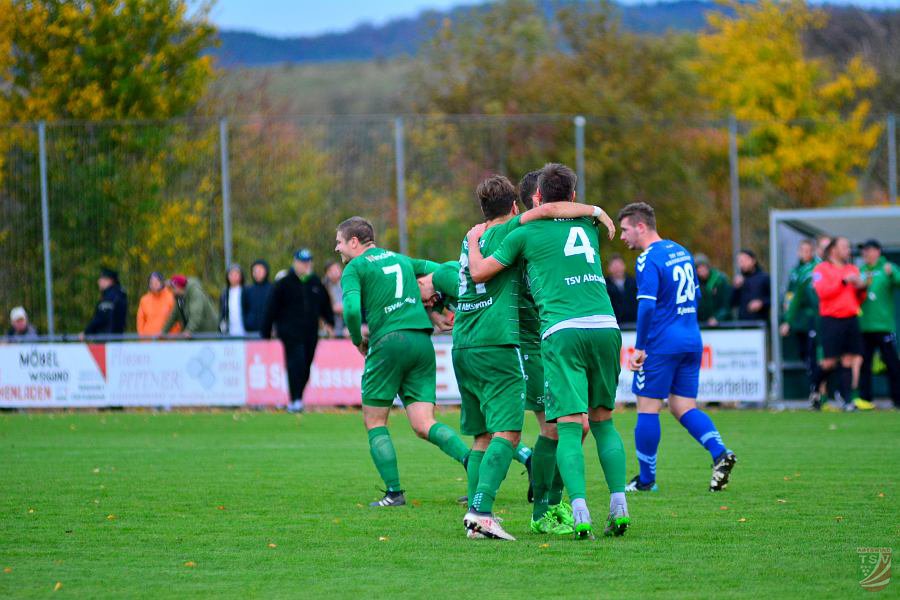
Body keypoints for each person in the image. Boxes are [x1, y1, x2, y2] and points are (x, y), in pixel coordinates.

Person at [467, 163, 629, 540]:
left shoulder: (522, 232)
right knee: (601, 421)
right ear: (573, 197)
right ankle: (616, 503)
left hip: (559, 331)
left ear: (537, 199)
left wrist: (474, 241)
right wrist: (595, 210)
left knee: (567, 427)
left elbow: (479, 272)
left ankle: (574, 509)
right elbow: (561, 209)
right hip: (606, 325)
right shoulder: (588, 225)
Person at [336, 217, 471, 508]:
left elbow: (349, 310)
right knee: (424, 423)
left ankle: (394, 493)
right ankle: (472, 462)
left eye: (340, 242)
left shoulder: (355, 268)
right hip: (422, 343)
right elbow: (443, 269)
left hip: (388, 342)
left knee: (374, 420)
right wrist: (440, 300)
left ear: (354, 242)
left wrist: (356, 339)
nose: (338, 248)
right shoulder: (401, 259)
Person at [616, 202, 737, 494]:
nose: (622, 237)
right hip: (691, 338)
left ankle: (646, 480)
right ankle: (720, 453)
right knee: (683, 406)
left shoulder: (648, 259)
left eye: (625, 230)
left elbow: (646, 306)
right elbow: (695, 295)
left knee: (647, 407)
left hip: (661, 342)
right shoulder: (680, 251)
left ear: (641, 227)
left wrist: (640, 347)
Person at [261, 249, 335, 412]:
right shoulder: (284, 283)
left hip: (310, 332)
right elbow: (271, 307)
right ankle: (295, 400)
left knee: (306, 365)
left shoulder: (315, 282)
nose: (305, 265)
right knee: (296, 363)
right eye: (302, 262)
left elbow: (325, 304)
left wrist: (330, 322)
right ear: (295, 262)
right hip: (290, 333)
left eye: (308, 262)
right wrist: (266, 330)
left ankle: (298, 397)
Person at [812, 237, 869, 411]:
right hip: (831, 320)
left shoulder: (852, 268)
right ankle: (814, 390)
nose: (848, 250)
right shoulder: (821, 269)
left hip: (850, 318)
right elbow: (823, 293)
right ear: (833, 250)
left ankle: (847, 401)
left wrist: (861, 288)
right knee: (829, 362)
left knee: (848, 359)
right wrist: (844, 281)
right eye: (844, 246)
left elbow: (859, 298)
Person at [858, 239, 900, 408]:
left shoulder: (887, 268)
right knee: (864, 365)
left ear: (877, 251)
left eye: (868, 250)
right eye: (863, 251)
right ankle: (866, 400)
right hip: (864, 327)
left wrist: (893, 274)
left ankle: (897, 400)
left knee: (892, 364)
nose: (865, 254)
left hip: (883, 326)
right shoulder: (861, 271)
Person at [779, 240, 821, 403]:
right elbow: (791, 295)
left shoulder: (817, 268)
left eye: (808, 250)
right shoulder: (795, 271)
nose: (805, 253)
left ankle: (818, 392)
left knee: (815, 356)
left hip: (813, 318)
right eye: (802, 250)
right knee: (805, 355)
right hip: (798, 321)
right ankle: (816, 391)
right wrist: (787, 318)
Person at [84, 268, 127, 336]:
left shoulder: (110, 297)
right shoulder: (120, 294)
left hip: (105, 339)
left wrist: (87, 332)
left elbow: (101, 318)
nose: (98, 282)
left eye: (101, 279)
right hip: (117, 339)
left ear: (109, 281)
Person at [731, 249, 770, 322]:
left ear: (753, 260)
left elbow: (773, 299)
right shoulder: (739, 280)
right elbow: (732, 303)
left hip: (760, 324)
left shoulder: (764, 278)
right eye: (740, 261)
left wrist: (761, 303)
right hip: (743, 325)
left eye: (745, 260)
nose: (742, 263)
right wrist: (735, 288)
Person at [137, 272, 180, 336]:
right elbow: (140, 321)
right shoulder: (144, 299)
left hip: (169, 341)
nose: (154, 285)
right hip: (148, 341)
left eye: (156, 282)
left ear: (162, 282)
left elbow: (177, 320)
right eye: (151, 282)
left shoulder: (172, 297)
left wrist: (175, 337)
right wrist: (142, 336)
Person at [695, 254, 732, 326]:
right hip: (701, 325)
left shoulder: (720, 280)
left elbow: (727, 304)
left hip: (721, 325)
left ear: (708, 267)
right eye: (698, 268)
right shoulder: (694, 283)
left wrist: (717, 318)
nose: (701, 270)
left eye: (703, 267)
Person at [606, 253, 638, 325]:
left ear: (624, 266)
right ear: (609, 268)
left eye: (619, 265)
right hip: (614, 324)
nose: (617, 269)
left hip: (633, 324)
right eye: (614, 266)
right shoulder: (604, 285)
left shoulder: (634, 283)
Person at [243, 259, 272, 334]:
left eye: (260, 270)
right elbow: (245, 309)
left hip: (269, 333)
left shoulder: (273, 289)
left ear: (266, 271)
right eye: (255, 271)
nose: (257, 273)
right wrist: (248, 323)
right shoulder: (247, 290)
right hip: (251, 333)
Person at [219, 264, 248, 336]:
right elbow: (222, 312)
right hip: (229, 332)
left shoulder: (246, 291)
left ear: (241, 276)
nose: (233, 277)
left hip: (245, 331)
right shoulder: (225, 293)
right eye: (231, 274)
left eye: (236, 274)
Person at [323, 260, 346, 337]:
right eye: (331, 270)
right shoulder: (325, 287)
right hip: (333, 329)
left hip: (348, 326)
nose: (335, 272)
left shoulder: (347, 284)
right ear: (327, 273)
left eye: (337, 268)